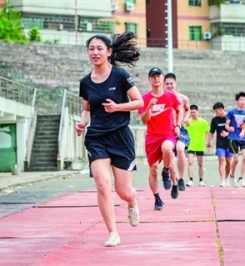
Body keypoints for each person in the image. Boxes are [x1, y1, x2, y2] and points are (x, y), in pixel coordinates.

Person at [75, 33, 143, 247]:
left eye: (99, 48)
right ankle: (113, 232)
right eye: (91, 49)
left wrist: (118, 107)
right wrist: (82, 122)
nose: (95, 52)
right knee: (102, 184)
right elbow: (87, 109)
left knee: (123, 192)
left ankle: (132, 201)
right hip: (97, 138)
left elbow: (139, 102)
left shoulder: (120, 76)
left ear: (109, 52)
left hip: (120, 137)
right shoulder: (85, 82)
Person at [138, 67, 182, 211]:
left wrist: (178, 126)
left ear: (163, 78)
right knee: (152, 170)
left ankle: (166, 171)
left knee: (168, 148)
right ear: (149, 80)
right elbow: (144, 120)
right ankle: (157, 198)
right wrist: (149, 107)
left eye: (159, 76)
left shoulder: (170, 96)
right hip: (152, 137)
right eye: (153, 76)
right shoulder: (144, 98)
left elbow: (179, 109)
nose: (156, 79)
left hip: (167, 134)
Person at [163, 72, 191, 191]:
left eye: (171, 84)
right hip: (166, 130)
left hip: (180, 129)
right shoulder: (162, 98)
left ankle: (181, 179)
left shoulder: (183, 98)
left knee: (180, 150)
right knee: (170, 156)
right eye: (167, 84)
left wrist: (185, 118)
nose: (169, 86)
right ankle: (173, 180)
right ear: (164, 85)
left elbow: (188, 110)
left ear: (176, 84)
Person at [225, 91, 245, 187]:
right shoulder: (231, 112)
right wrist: (229, 128)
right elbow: (226, 125)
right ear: (237, 101)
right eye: (241, 100)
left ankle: (241, 178)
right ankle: (232, 176)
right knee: (235, 160)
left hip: (244, 138)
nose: (243, 102)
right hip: (233, 138)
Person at [207, 102, 233, 187]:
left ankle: (226, 178)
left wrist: (228, 134)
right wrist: (209, 141)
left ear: (221, 109)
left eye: (217, 111)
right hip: (220, 144)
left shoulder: (230, 118)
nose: (216, 113)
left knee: (228, 162)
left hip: (230, 143)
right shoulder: (215, 120)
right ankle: (222, 180)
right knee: (221, 160)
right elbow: (211, 132)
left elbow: (235, 131)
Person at [185, 104, 210, 187]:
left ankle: (201, 180)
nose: (192, 114)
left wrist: (206, 142)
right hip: (191, 145)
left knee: (200, 163)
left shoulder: (203, 122)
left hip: (200, 145)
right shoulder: (188, 121)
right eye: (191, 112)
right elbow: (184, 131)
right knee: (190, 162)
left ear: (197, 112)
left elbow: (207, 132)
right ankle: (191, 180)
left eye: (194, 112)